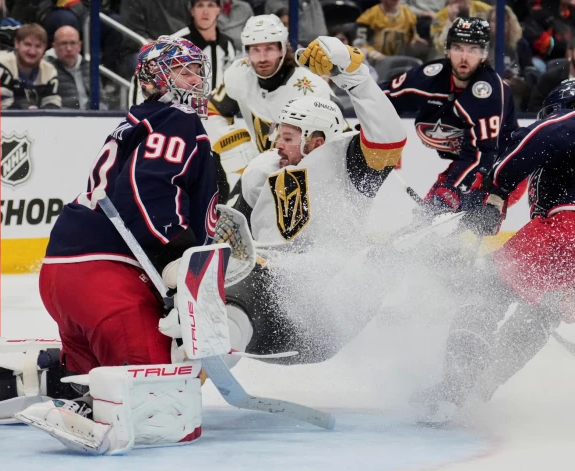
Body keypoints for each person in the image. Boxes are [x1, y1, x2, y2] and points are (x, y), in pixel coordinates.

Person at [0, 36, 218, 453]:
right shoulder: (176, 120)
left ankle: (36, 379)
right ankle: (86, 407)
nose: (195, 79)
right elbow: (148, 186)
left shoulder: (140, 119)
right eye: (183, 71)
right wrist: (176, 254)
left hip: (65, 276)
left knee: (98, 363)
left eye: (197, 70)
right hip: (106, 279)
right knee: (162, 388)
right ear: (158, 79)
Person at [226, 38, 406, 364]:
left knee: (388, 258)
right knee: (230, 287)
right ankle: (206, 359)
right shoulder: (261, 171)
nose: (277, 144)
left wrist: (354, 75)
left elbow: (389, 137)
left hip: (325, 320)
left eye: (288, 137)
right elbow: (227, 237)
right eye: (278, 134)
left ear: (316, 141)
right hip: (265, 314)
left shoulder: (348, 165)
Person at [413, 78, 575, 423]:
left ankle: (454, 387)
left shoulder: (565, 122)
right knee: (541, 314)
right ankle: (480, 388)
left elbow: (527, 148)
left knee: (485, 291)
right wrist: (487, 211)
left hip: (565, 231)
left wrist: (495, 187)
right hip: (566, 253)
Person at [380, 17, 518, 214]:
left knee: (473, 220)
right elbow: (384, 97)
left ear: (484, 54)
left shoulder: (490, 92)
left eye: (473, 50)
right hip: (469, 161)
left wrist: (454, 189)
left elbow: (484, 155)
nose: (464, 57)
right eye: (458, 48)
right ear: (447, 50)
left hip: (505, 167)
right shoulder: (429, 77)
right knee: (428, 214)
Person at [205, 14, 333, 179]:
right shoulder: (239, 76)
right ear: (247, 52)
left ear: (282, 49)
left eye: (269, 49)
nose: (262, 58)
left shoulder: (312, 88)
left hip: (304, 173)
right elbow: (211, 111)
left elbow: (330, 142)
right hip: (259, 172)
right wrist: (234, 147)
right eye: (255, 50)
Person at [129, 0, 236, 104]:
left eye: (211, 5)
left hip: (215, 118)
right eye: (200, 5)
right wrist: (140, 116)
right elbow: (143, 77)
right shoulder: (174, 44)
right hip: (180, 117)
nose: (205, 12)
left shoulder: (227, 45)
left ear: (218, 10)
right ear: (192, 10)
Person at [0, 23, 61, 110]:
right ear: (17, 43)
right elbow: (1, 102)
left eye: (38, 46)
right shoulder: (1, 64)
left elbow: (53, 103)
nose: (32, 51)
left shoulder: (50, 70)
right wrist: (27, 109)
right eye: (27, 44)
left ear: (45, 48)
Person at [46, 25, 94, 109]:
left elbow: (101, 100)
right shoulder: (46, 67)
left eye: (73, 43)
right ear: (54, 47)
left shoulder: (89, 66)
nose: (69, 48)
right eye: (63, 44)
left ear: (79, 46)